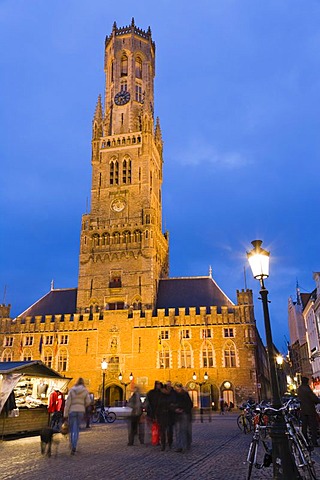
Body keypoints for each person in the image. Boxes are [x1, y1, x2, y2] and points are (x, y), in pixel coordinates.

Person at [63, 378, 91, 454]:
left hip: (72, 410)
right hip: (80, 411)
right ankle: (74, 445)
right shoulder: (85, 391)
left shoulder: (72, 390)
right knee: (76, 429)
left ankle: (72, 444)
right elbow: (88, 401)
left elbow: (67, 403)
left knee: (72, 429)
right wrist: (83, 405)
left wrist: (65, 414)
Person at [297, 376, 320, 447]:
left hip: (303, 410)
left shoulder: (299, 389)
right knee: (313, 426)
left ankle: (305, 440)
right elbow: (313, 398)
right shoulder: (307, 389)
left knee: (304, 426)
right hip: (310, 410)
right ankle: (314, 441)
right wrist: (318, 400)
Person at [174, 383, 193, 452]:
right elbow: (172, 404)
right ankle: (179, 446)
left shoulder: (185, 395)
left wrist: (183, 409)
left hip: (184, 414)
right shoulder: (175, 395)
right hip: (177, 415)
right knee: (178, 431)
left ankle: (184, 446)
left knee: (184, 430)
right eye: (176, 389)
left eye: (178, 388)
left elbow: (190, 404)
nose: (177, 390)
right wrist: (175, 409)